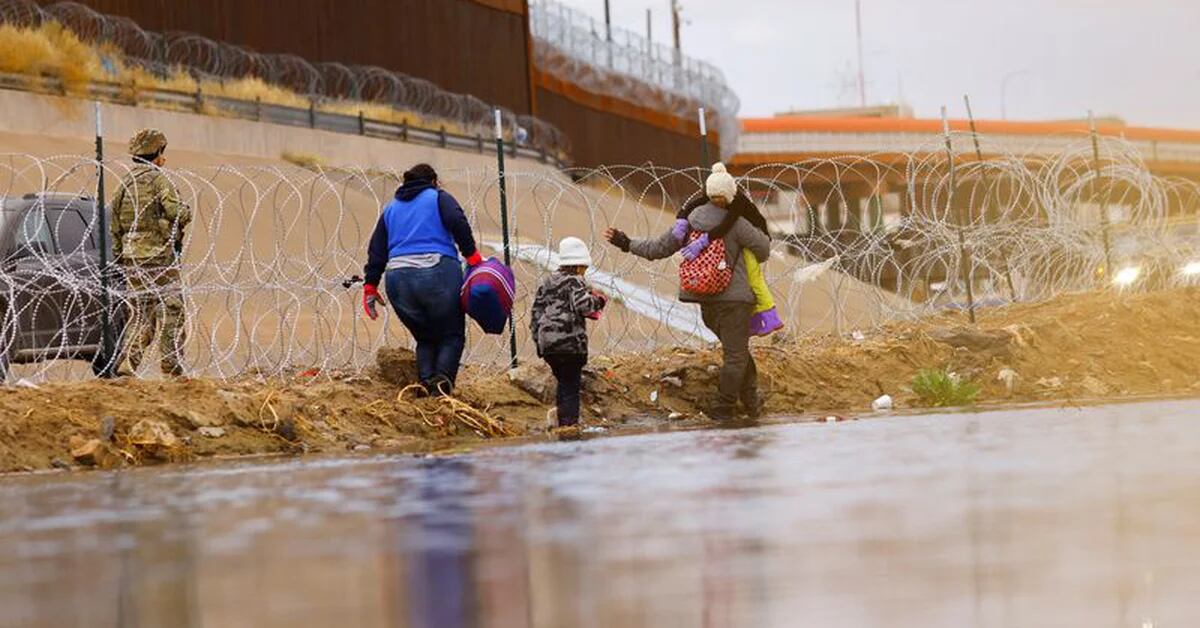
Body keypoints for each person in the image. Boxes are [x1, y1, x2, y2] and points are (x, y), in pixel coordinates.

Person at [605, 163, 770, 421]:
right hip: (735, 300)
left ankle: (751, 402)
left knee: (736, 350)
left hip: (704, 300)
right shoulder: (737, 223)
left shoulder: (689, 222)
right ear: (730, 195)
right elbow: (764, 251)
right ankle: (724, 407)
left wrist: (626, 243)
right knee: (736, 355)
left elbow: (657, 248)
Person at [363, 163, 482, 395]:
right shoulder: (437, 197)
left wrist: (370, 285)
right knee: (451, 334)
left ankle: (426, 386)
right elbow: (457, 220)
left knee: (425, 338)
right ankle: (441, 388)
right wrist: (472, 255)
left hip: (397, 279)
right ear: (434, 180)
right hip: (435, 271)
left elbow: (376, 249)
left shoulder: (390, 208)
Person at [111, 128, 191, 377]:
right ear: (157, 153)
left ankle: (127, 363)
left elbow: (114, 225)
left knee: (141, 315)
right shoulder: (159, 180)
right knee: (172, 310)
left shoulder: (124, 183)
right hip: (159, 258)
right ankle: (170, 364)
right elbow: (178, 213)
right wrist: (185, 211)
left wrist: (120, 256)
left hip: (131, 259)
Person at [676, 190, 783, 336]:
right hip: (744, 243)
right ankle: (756, 322)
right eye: (713, 197)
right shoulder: (716, 196)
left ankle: (772, 318)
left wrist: (704, 240)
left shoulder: (737, 201)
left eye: (720, 197)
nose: (717, 201)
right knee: (747, 283)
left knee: (754, 280)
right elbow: (690, 206)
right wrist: (681, 220)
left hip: (753, 240)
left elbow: (727, 225)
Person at [530, 237, 607, 427]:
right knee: (571, 386)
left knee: (563, 383)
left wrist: (539, 340)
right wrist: (599, 300)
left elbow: (536, 312)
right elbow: (584, 306)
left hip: (548, 343)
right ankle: (569, 427)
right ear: (579, 265)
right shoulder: (575, 281)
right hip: (570, 343)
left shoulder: (548, 281)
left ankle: (561, 422)